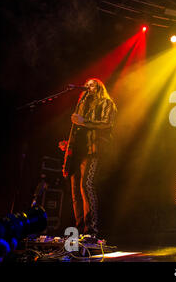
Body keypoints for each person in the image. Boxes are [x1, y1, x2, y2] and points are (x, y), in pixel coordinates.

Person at [59, 78, 117, 240]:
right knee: (75, 192)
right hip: (77, 151)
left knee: (86, 185)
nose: (88, 87)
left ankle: (91, 231)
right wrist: (68, 143)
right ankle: (79, 231)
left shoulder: (106, 103)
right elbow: (78, 130)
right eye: (86, 85)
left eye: (92, 84)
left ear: (99, 87)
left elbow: (107, 123)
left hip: (93, 149)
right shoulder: (81, 105)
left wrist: (85, 121)